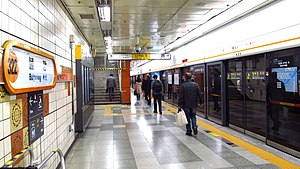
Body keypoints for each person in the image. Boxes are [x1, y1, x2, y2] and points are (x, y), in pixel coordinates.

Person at [178, 72, 203, 136]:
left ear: (185, 78)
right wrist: (201, 102)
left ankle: (189, 131)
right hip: (194, 104)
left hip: (186, 104)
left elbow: (181, 97)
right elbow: (199, 94)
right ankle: (194, 126)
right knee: (193, 116)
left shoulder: (183, 86)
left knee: (187, 117)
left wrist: (179, 105)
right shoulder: (195, 85)